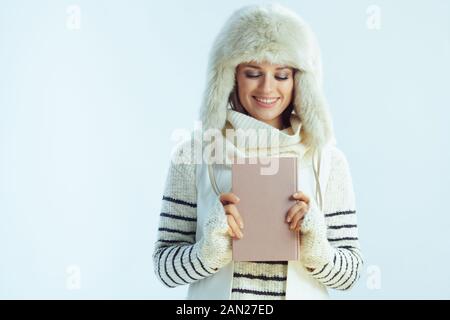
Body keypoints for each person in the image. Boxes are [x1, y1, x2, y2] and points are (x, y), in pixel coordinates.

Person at [152, 3, 363, 300]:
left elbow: (350, 275)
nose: (267, 88)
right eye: (253, 72)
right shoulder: (193, 154)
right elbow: (164, 267)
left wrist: (316, 247)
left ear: (299, 81)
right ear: (230, 76)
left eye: (281, 75)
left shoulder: (327, 160)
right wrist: (210, 250)